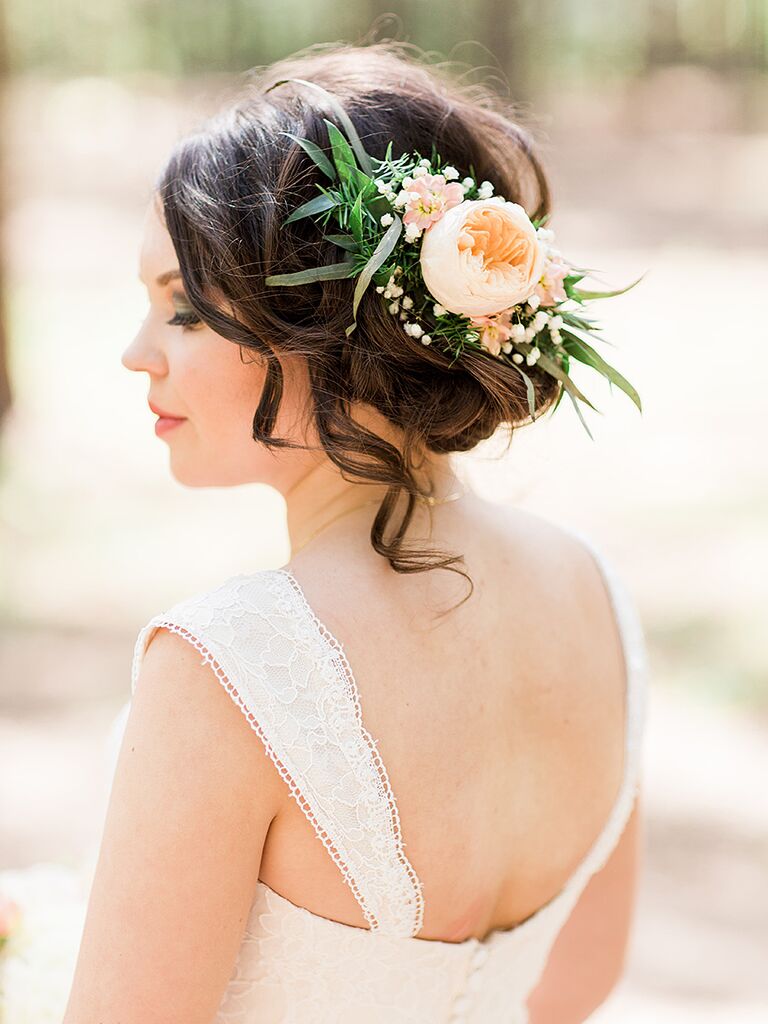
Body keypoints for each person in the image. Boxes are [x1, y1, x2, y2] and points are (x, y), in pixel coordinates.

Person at [61, 40, 649, 1024]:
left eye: (184, 310)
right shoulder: (592, 589)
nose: (136, 355)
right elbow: (575, 988)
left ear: (323, 321)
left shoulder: (230, 667)